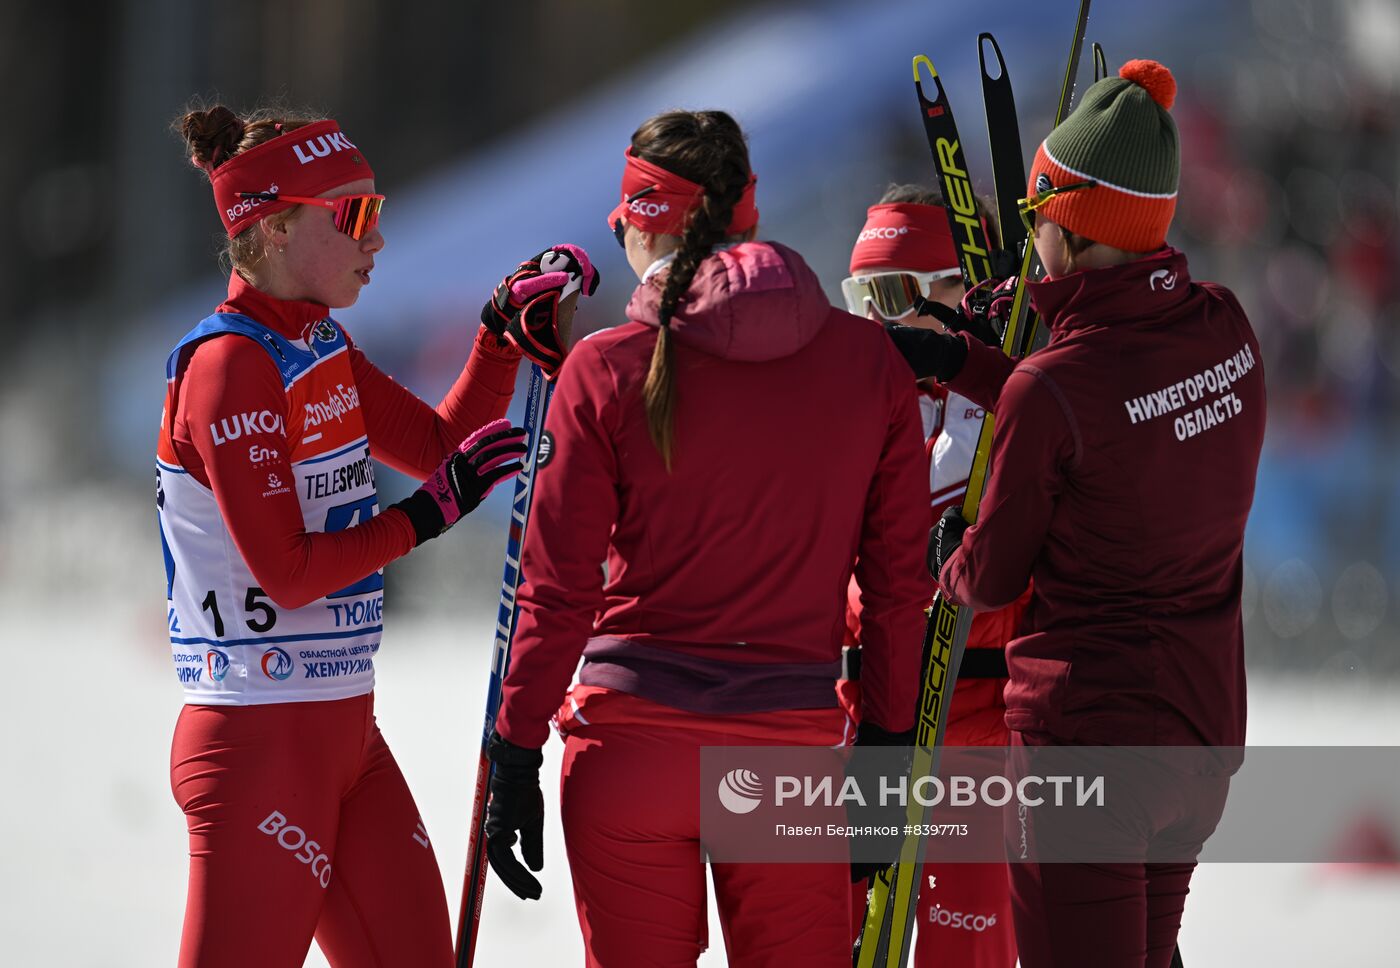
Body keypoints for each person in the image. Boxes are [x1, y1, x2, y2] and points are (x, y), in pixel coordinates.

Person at [479, 109, 931, 967]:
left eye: (622, 219)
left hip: (630, 757)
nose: (615, 234)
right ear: (749, 213)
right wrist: (884, 753)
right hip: (791, 758)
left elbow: (558, 586)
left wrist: (515, 745)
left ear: (647, 220)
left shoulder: (608, 364)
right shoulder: (870, 363)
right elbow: (898, 587)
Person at [160, 105, 595, 967]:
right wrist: (421, 520)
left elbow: (440, 450)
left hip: (347, 735)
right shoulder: (230, 366)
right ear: (277, 227)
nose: (379, 239)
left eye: (378, 212)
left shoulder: (317, 342)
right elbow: (287, 573)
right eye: (355, 216)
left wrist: (498, 332)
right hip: (258, 743)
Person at [892, 61, 1266, 968]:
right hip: (1200, 737)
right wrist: (959, 359)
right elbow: (1099, 402)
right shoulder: (1226, 327)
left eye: (1036, 218)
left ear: (1069, 219)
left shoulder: (1056, 389)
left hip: (1087, 750)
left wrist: (950, 550)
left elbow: (991, 576)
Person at [840, 187, 1023, 968]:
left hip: (980, 745)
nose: (877, 320)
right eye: (861, 294)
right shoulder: (852, 407)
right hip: (862, 741)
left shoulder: (1025, 399)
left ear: (961, 290)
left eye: (894, 293)